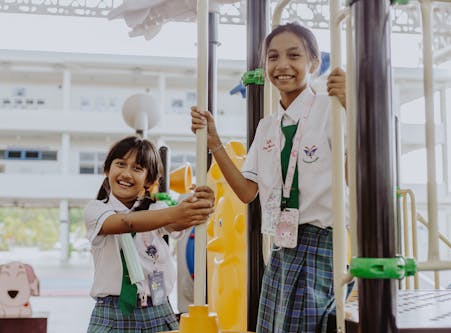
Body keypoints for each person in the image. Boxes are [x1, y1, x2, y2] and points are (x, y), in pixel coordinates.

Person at [191, 22, 347, 333]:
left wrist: (350, 104)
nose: (283, 65)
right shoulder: (268, 127)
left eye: (294, 55)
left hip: (320, 241)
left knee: (306, 326)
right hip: (281, 244)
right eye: (273, 57)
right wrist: (215, 143)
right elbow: (248, 191)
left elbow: (353, 172)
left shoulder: (330, 111)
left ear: (314, 64)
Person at [84, 135, 215, 333]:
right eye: (120, 164)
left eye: (137, 168)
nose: (127, 174)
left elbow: (180, 221)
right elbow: (125, 223)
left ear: (149, 180)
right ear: (107, 169)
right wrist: (175, 212)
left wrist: (199, 203)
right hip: (113, 312)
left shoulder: (157, 209)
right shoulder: (96, 210)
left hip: (157, 308)